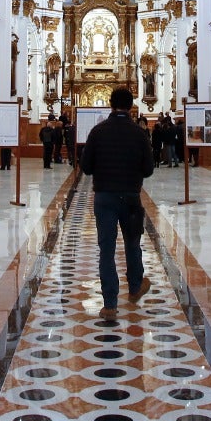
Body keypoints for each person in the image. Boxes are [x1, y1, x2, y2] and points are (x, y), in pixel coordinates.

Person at [80, 88, 153, 319]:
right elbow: (149, 169)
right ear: (131, 106)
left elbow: (86, 167)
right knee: (132, 243)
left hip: (104, 197)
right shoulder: (139, 134)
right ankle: (135, 287)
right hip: (131, 196)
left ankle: (110, 305)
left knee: (107, 249)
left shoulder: (98, 131)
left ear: (111, 104)